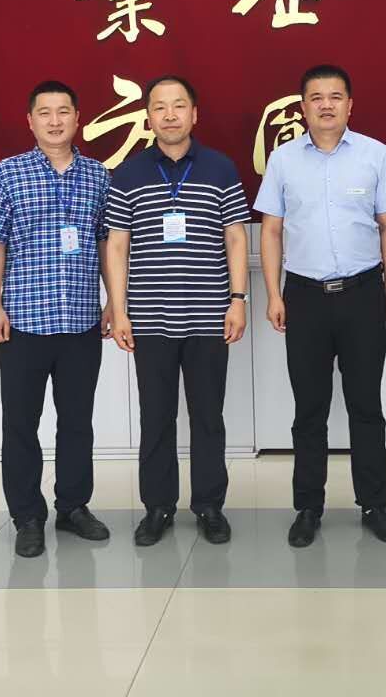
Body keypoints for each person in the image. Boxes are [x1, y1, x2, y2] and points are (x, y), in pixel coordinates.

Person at [255, 64, 386, 548]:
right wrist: (274, 293)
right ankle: (308, 507)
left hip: (363, 294)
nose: (326, 105)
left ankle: (374, 504)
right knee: (309, 409)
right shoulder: (283, 159)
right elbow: (271, 230)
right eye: (317, 97)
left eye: (335, 96)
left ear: (350, 104)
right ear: (303, 106)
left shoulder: (375, 154)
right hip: (304, 297)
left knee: (366, 405)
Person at [103, 76, 250, 548]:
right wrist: (119, 310)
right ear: (148, 116)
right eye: (160, 107)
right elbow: (118, 245)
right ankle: (158, 507)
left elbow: (235, 237)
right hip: (150, 318)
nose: (169, 115)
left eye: (179, 105)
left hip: (209, 315)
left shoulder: (220, 168)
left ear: (194, 114)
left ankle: (209, 505)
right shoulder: (127, 174)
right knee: (156, 417)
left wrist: (238, 299)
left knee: (208, 416)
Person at [0, 80, 113, 559]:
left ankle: (73, 507)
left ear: (78, 119)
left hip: (81, 321)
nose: (55, 121)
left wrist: (115, 302)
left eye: (63, 111)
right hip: (23, 322)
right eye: (45, 112)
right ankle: (27, 517)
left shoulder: (98, 175)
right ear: (30, 121)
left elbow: (106, 244)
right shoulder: (8, 173)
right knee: (20, 424)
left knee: (77, 422)